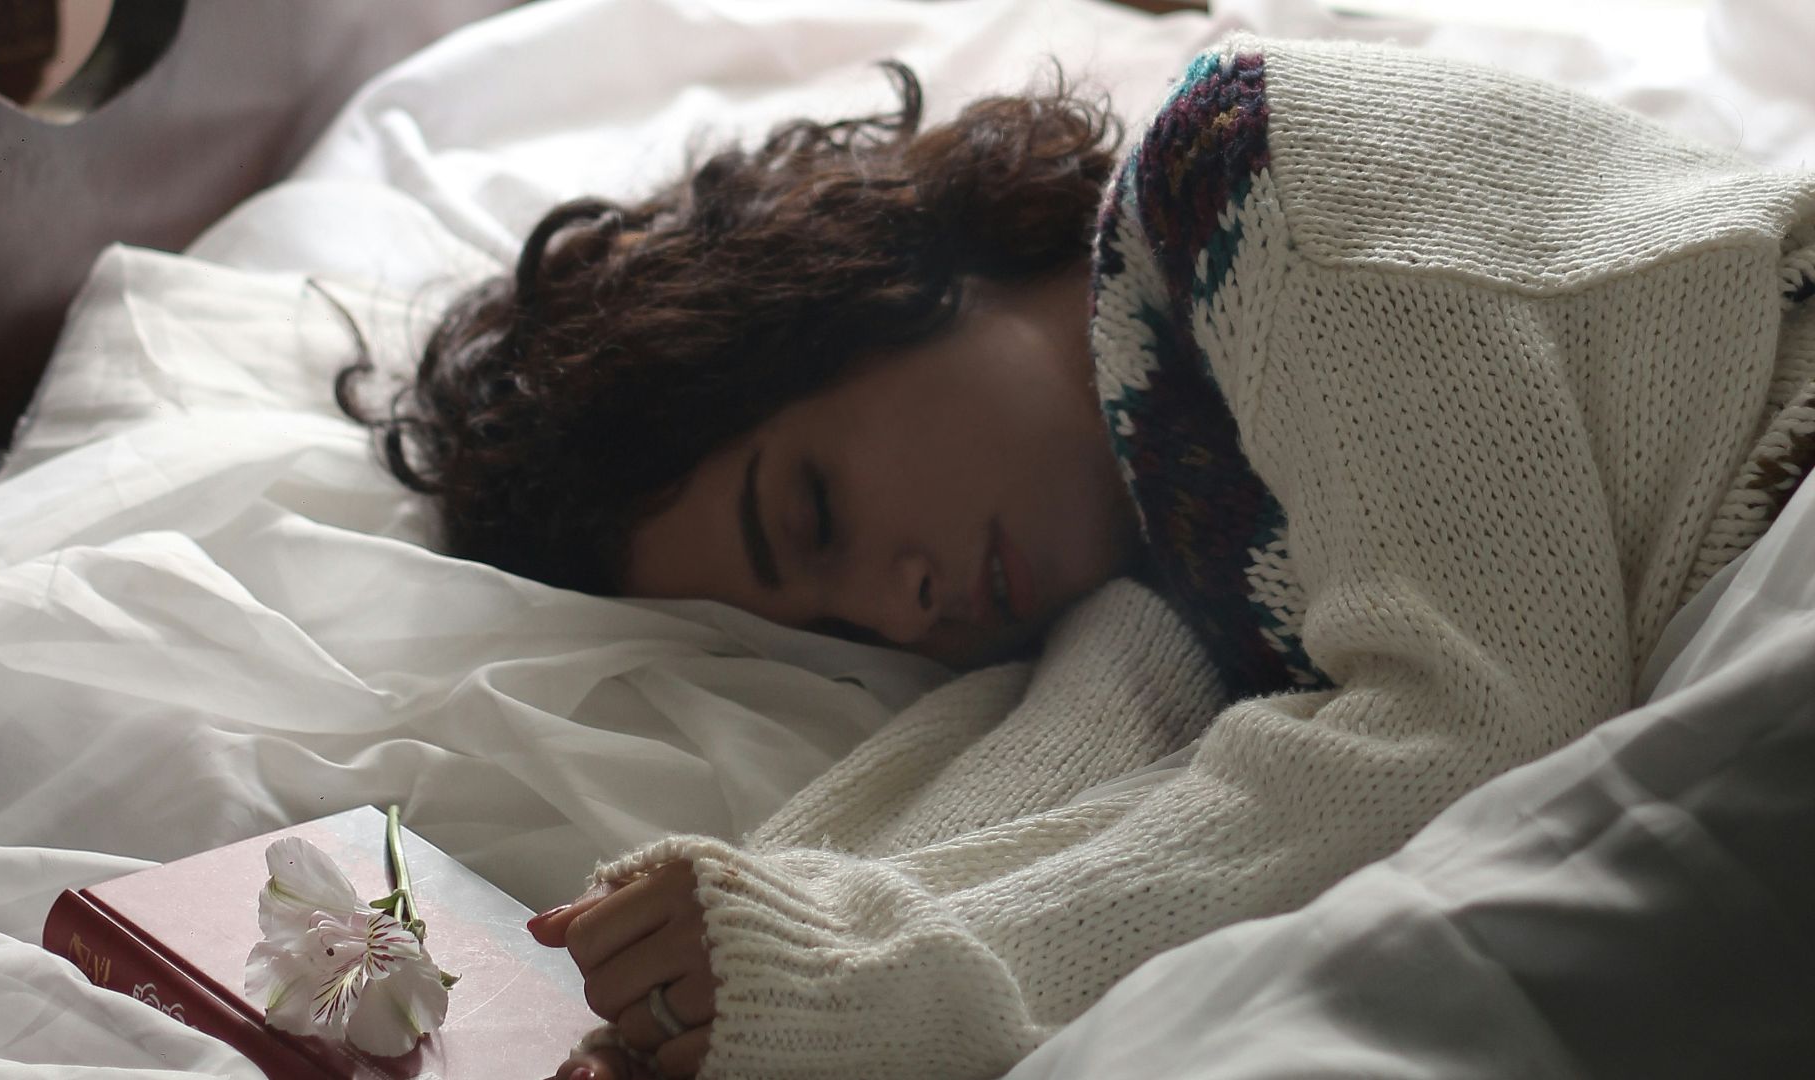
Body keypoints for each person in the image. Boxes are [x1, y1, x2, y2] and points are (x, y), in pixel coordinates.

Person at [343, 33, 1815, 1080]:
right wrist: (712, 967)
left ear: (874, 285)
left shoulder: (1252, 183)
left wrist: (872, 983)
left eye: (814, 517)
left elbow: (1471, 722)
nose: (896, 605)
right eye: (834, 613)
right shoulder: (1170, 520)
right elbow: (1036, 784)